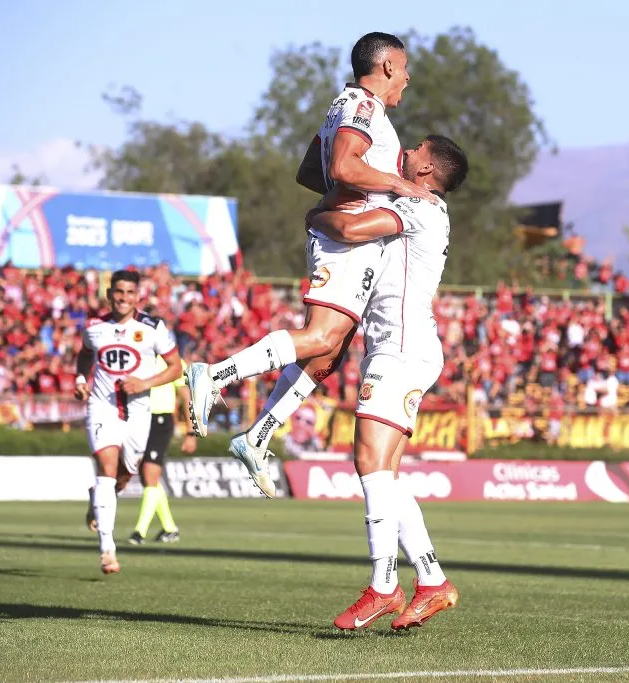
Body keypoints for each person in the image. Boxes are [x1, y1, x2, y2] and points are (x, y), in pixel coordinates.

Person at [185, 32, 433, 497]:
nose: (408, 77)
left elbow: (310, 171)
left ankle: (258, 435)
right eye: (403, 67)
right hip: (346, 240)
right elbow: (341, 166)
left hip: (344, 233)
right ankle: (214, 375)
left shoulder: (347, 107)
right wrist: (395, 185)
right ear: (385, 67)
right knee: (321, 336)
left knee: (329, 351)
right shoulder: (363, 107)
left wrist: (345, 193)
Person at [306, 135, 468, 630]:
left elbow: (352, 230)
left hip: (401, 348)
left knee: (370, 463)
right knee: (385, 473)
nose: (409, 150)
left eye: (417, 148)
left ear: (427, 169)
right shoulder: (414, 202)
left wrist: (315, 218)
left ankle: (382, 586)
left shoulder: (420, 208)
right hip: (401, 347)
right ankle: (433, 580)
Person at [75, 270, 182, 574]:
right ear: (109, 294)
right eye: (118, 292)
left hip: (138, 411)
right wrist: (81, 378)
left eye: (130, 293)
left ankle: (97, 498)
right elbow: (84, 355)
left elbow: (175, 368)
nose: (123, 298)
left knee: (123, 477)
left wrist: (145, 383)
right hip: (102, 407)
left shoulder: (152, 328)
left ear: (138, 296)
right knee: (107, 470)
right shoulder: (95, 328)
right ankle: (107, 550)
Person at [128, 356, 197, 544]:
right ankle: (170, 528)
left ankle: (139, 532)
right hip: (139, 419)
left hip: (160, 419)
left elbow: (186, 396)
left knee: (150, 474)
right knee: (146, 477)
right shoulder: (138, 355)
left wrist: (191, 432)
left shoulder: (171, 360)